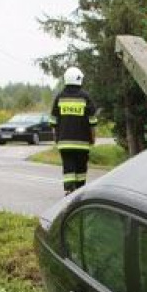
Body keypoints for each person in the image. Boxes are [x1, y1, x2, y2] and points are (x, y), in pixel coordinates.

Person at [52, 66, 98, 195]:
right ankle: (79, 190)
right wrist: (93, 137)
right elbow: (92, 121)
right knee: (81, 167)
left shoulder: (59, 97)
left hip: (64, 142)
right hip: (82, 142)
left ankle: (69, 188)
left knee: (68, 166)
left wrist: (56, 138)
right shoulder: (85, 97)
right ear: (79, 79)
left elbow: (53, 121)